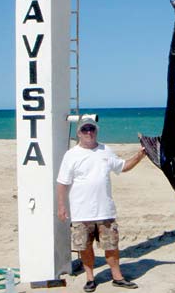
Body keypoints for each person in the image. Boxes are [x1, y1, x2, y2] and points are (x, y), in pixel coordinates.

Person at [57, 117, 146, 292]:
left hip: (105, 211)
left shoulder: (106, 150)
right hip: (81, 213)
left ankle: (117, 277)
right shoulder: (71, 155)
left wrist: (140, 155)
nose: (88, 132)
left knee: (112, 247)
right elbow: (62, 183)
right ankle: (90, 278)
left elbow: (123, 166)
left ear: (96, 131)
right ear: (79, 133)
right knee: (85, 248)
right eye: (85, 129)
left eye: (91, 129)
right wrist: (61, 206)